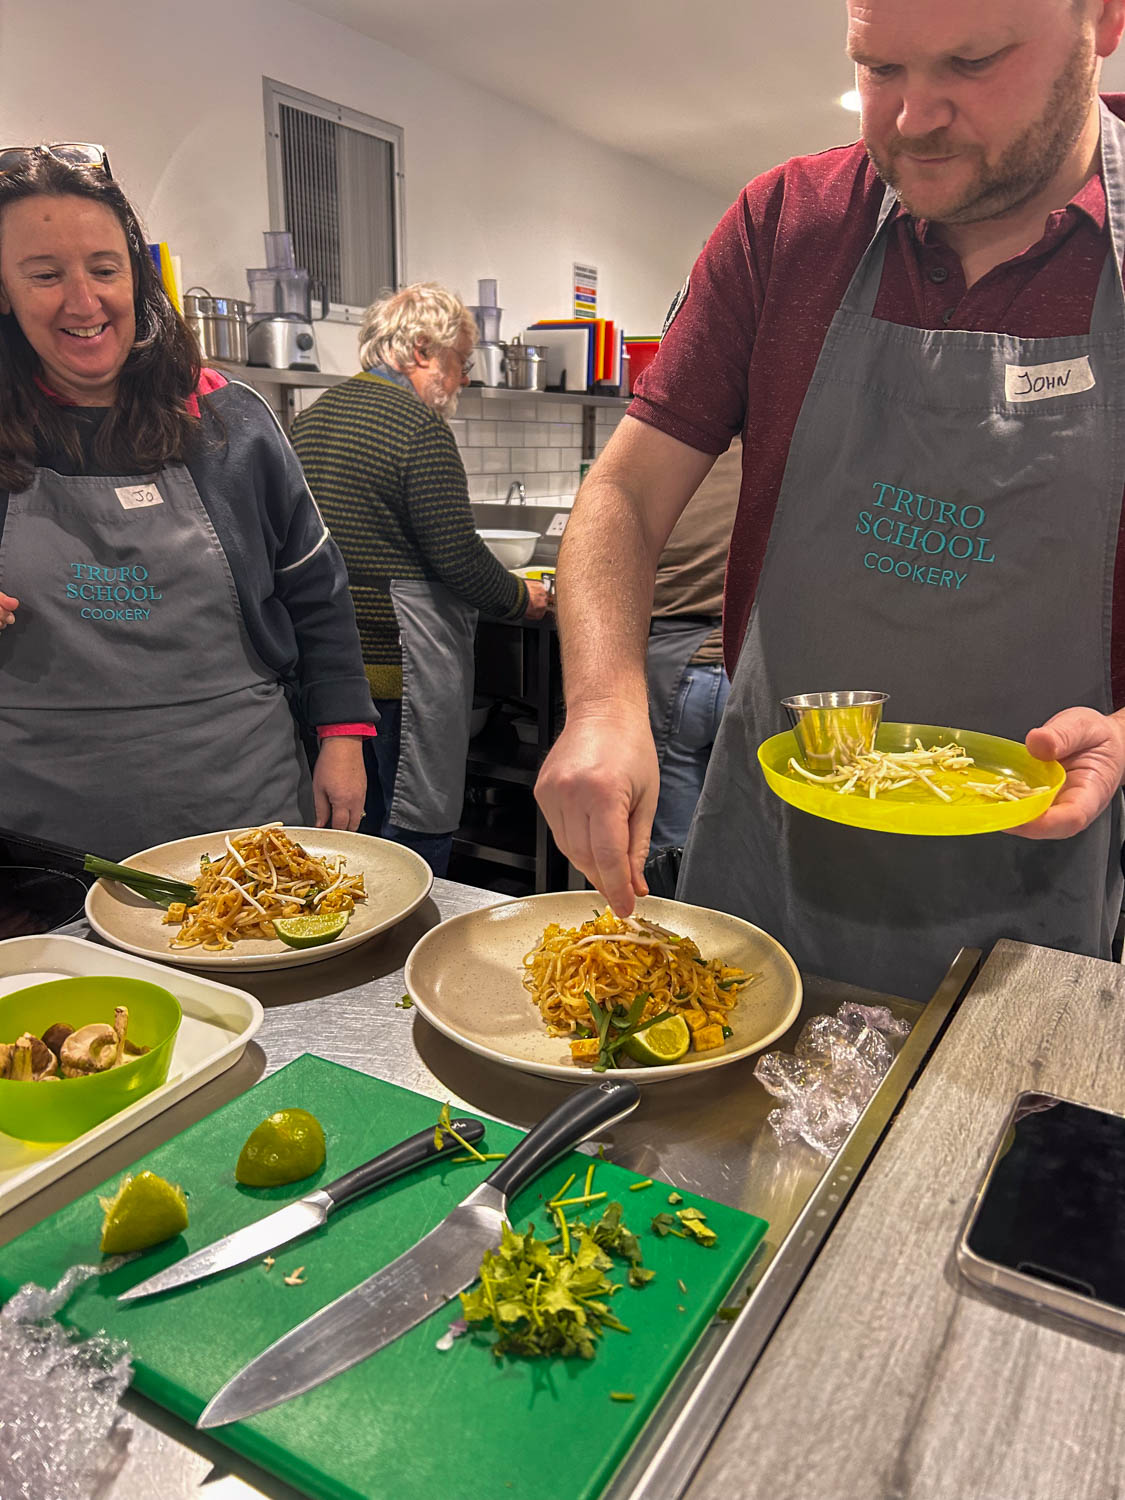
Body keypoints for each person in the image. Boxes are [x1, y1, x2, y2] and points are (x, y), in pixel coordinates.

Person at [536, 0, 1125, 1002]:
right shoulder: (789, 224)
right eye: (878, 68)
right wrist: (602, 704)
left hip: (1033, 885)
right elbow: (625, 493)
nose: (912, 118)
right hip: (770, 863)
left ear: (1101, 20)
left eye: (972, 62)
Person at [0, 145, 373, 861]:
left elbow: (317, 594)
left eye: (104, 269)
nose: (83, 302)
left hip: (242, 815)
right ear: (4, 291)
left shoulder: (231, 421)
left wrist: (343, 737)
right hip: (42, 841)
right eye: (45, 275)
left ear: (137, 276)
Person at [291, 283, 548, 876]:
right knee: (411, 837)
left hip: (324, 677)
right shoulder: (418, 429)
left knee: (341, 839)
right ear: (422, 350)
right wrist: (522, 597)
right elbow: (458, 558)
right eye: (460, 362)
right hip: (398, 673)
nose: (461, 380)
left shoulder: (311, 419)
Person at [647, 441, 740, 850]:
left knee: (672, 849)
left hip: (674, 670)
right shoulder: (774, 460)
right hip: (747, 670)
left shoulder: (663, 455)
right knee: (742, 842)